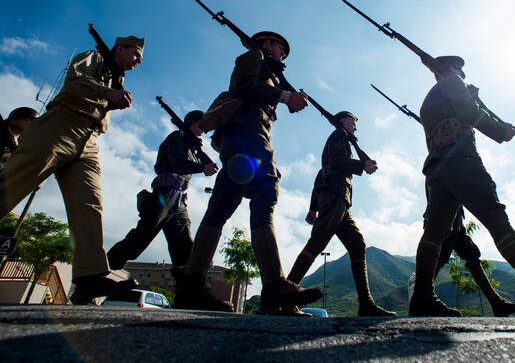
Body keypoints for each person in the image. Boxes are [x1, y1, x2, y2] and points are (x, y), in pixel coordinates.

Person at [410, 55, 515, 317]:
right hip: (461, 160)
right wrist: (499, 131)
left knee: (435, 232)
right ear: (453, 69)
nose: (462, 72)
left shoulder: (430, 99)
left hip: (437, 165)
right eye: (459, 69)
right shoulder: (452, 82)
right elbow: (468, 111)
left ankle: (422, 296)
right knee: (495, 218)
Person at [175, 31, 322, 312]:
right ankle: (274, 285)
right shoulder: (253, 56)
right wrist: (284, 95)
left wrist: (284, 96)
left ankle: (191, 286)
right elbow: (243, 87)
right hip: (247, 136)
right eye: (280, 48)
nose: (282, 55)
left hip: (241, 137)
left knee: (222, 204)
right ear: (266, 44)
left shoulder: (266, 69)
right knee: (266, 193)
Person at [0, 35, 145, 303]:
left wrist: (112, 93)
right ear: (120, 48)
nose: (138, 61)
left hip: (89, 141)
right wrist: (106, 92)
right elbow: (75, 80)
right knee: (9, 188)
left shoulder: (117, 76)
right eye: (135, 54)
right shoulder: (95, 57)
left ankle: (89, 277)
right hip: (60, 127)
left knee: (90, 203)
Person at [287, 111, 396, 317]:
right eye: (353, 122)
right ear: (344, 121)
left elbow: (321, 174)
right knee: (317, 242)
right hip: (335, 195)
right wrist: (362, 165)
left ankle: (366, 304)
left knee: (357, 244)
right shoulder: (339, 136)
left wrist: (313, 206)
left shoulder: (344, 139)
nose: (356, 126)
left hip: (340, 199)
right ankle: (285, 297)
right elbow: (336, 162)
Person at [107, 110, 219, 287]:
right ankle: (99, 274)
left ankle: (188, 291)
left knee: (184, 249)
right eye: (201, 124)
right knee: (141, 237)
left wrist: (201, 161)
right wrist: (202, 167)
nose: (205, 129)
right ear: (192, 123)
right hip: (166, 192)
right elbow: (176, 162)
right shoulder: (178, 136)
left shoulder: (192, 146)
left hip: (179, 199)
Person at [435, 207, 515, 317]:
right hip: (445, 209)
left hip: (453, 212)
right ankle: (422, 297)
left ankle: (496, 302)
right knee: (438, 252)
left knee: (469, 252)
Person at [1, 107, 39, 172]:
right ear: (13, 121)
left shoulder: (21, 145)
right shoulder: (3, 135)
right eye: (27, 120)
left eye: (34, 122)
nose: (31, 124)